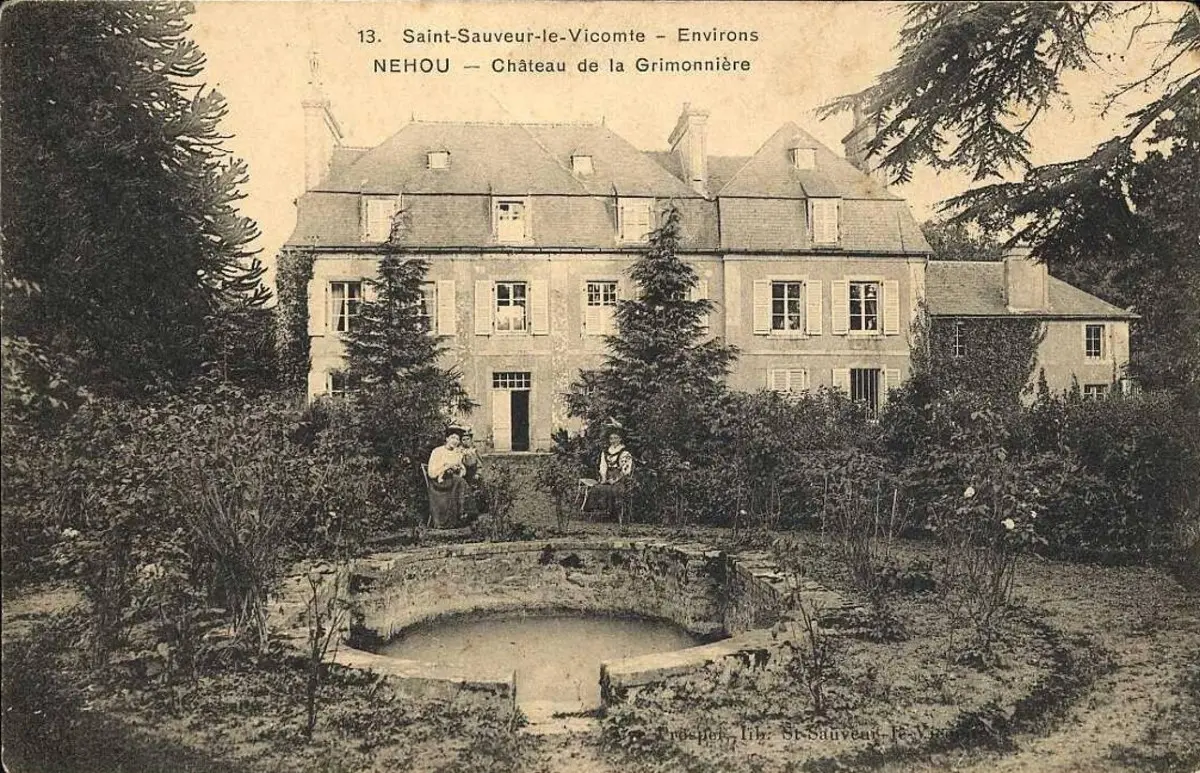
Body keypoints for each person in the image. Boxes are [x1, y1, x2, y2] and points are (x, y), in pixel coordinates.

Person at [426, 426, 468, 527]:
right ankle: (462, 513)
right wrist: (446, 467)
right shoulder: (437, 451)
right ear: (447, 439)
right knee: (460, 482)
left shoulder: (457, 453)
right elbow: (431, 473)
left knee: (459, 481)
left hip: (452, 481)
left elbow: (463, 471)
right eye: (453, 438)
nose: (455, 441)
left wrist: (460, 469)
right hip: (438, 484)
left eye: (457, 439)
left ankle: (462, 513)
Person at [590, 428, 633, 520]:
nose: (613, 441)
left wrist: (615, 479)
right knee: (597, 488)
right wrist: (604, 478)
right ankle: (602, 512)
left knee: (616, 489)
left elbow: (626, 469)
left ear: (620, 439)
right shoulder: (605, 452)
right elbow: (603, 466)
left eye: (616, 438)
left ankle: (616, 514)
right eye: (611, 438)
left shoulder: (625, 453)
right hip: (608, 476)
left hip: (620, 478)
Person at [460, 429, 488, 516]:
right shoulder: (460, 451)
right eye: (463, 440)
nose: (466, 442)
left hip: (473, 471)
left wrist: (478, 473)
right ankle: (466, 510)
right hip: (464, 473)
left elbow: (480, 463)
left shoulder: (474, 450)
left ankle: (479, 509)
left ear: (471, 440)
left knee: (477, 489)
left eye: (467, 439)